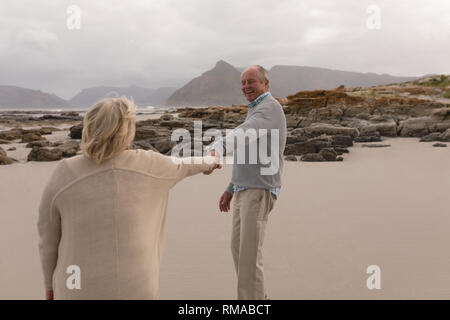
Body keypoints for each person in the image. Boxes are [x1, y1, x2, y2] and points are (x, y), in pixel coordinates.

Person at [37, 97, 220, 300]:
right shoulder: (150, 164)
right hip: (137, 286)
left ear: (89, 127)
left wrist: (48, 286)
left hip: (77, 285)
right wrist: (212, 160)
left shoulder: (65, 173)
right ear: (127, 130)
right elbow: (186, 165)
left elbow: (47, 239)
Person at [207, 65, 287, 300]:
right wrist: (231, 187)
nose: (245, 87)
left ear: (265, 83)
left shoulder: (269, 108)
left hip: (259, 189)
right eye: (242, 82)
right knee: (240, 251)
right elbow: (248, 151)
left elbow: (243, 134)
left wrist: (217, 149)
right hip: (244, 189)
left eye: (251, 81)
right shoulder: (256, 109)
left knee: (249, 257)